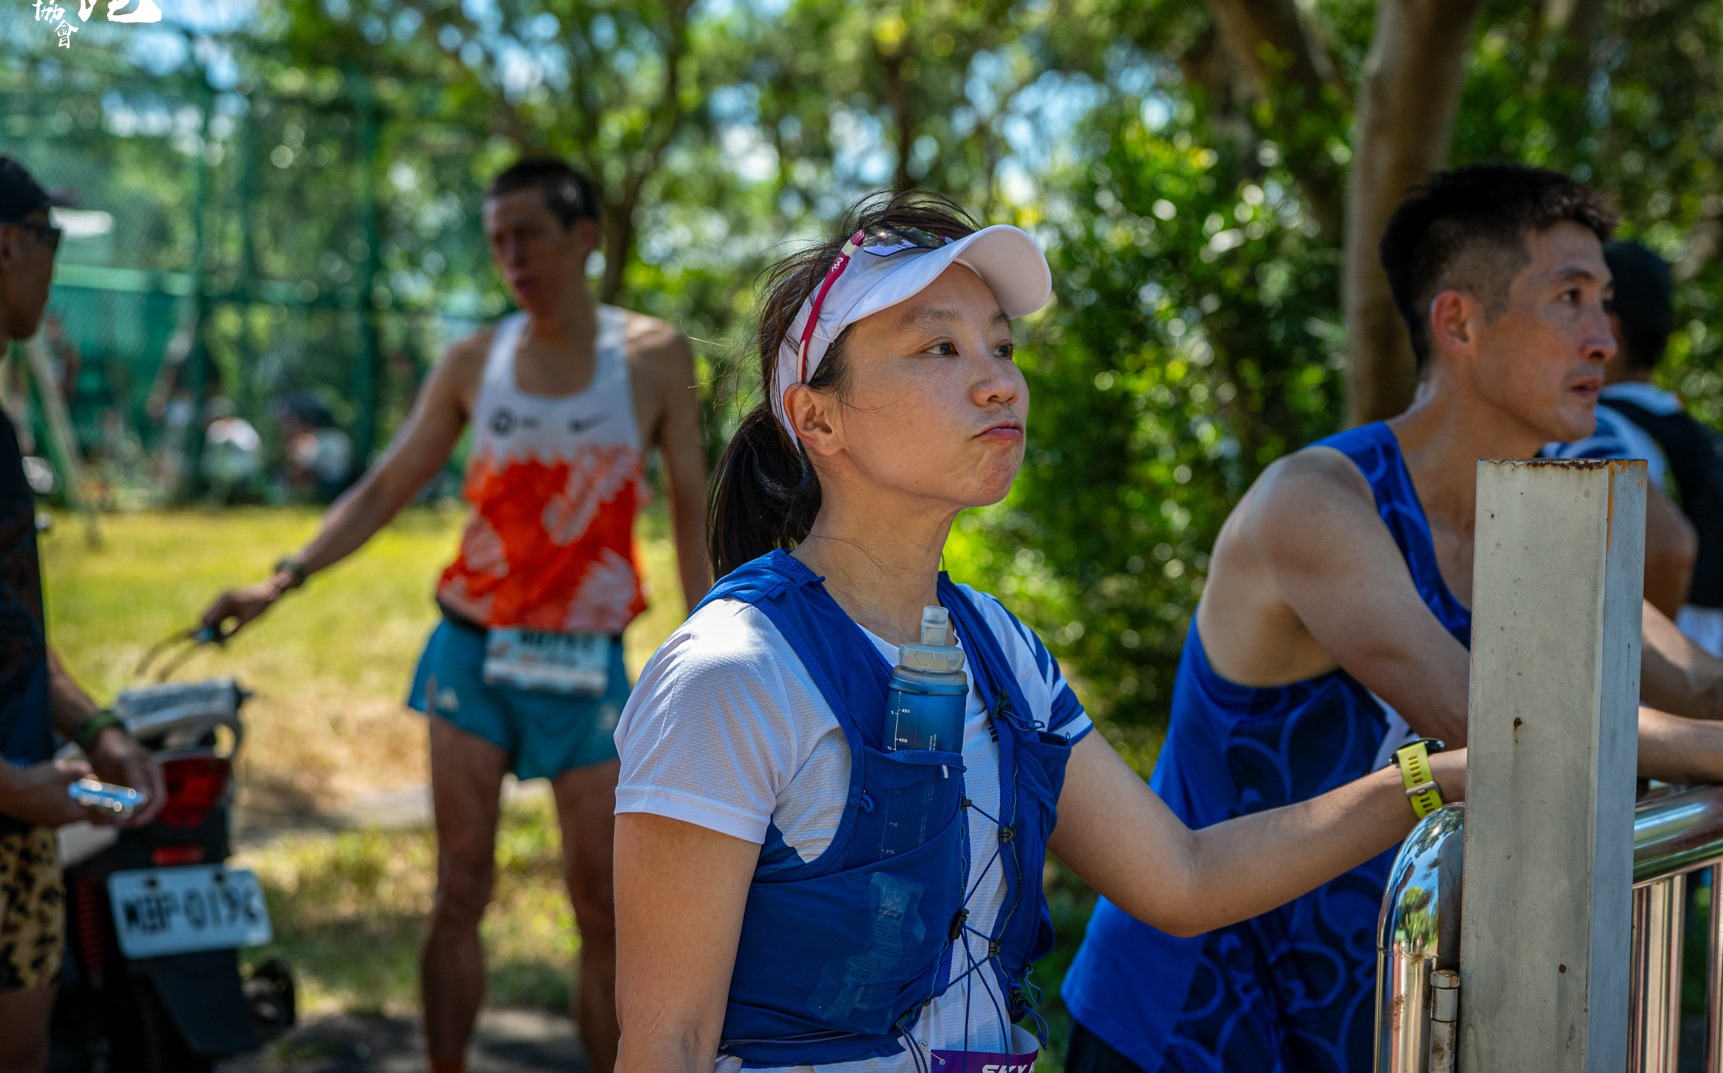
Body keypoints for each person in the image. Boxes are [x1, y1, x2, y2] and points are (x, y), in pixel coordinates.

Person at [1060, 164, 1723, 1073]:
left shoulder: (1542, 521)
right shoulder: (1317, 500)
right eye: (1569, 298)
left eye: (1606, 302)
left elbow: (1700, 678)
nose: (1604, 339)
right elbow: (1497, 729)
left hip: (1365, 1027)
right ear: (1459, 321)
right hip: (1184, 1020)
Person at [610, 192, 1473, 1073]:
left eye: (1002, 347)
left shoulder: (1000, 651)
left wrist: (1427, 780)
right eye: (938, 346)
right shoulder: (733, 673)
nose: (999, 381)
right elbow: (665, 1041)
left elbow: (1182, 876)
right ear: (816, 417)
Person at [198, 158, 713, 1073]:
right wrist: (283, 577)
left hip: (586, 663)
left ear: (585, 233)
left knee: (604, 903)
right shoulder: (477, 359)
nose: (511, 256)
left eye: (530, 234)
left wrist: (714, 647)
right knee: (459, 886)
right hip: (473, 652)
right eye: (496, 240)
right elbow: (388, 482)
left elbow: (685, 507)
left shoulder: (653, 357)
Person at [0, 153, 164, 1073]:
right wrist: (10, 784)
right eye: (53, 241)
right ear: (8, 244)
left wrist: (97, 727)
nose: (53, 265)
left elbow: (13, 624)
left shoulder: (2, 430)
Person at [1549, 239, 1723, 664]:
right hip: (1708, 697)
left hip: (1643, 707)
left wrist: (1626, 676)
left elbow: (1670, 551)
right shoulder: (1708, 444)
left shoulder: (1593, 429)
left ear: (1609, 329)